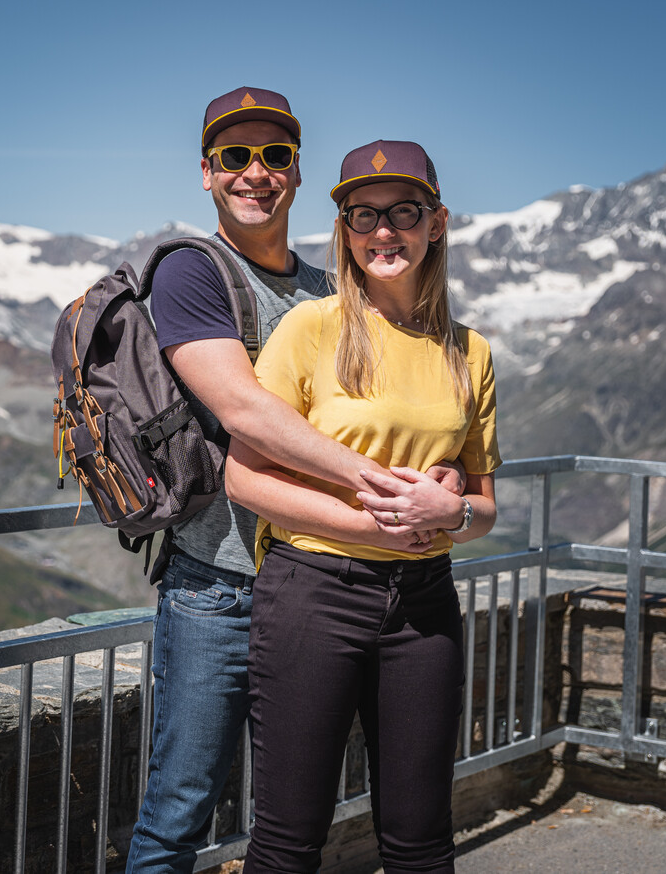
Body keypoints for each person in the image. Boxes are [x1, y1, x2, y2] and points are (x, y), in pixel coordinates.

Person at [126, 98, 465, 874]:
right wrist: (380, 490)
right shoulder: (191, 271)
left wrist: (438, 483)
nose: (257, 174)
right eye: (236, 157)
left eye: (275, 156)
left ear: (298, 171)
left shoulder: (327, 289)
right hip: (222, 583)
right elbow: (243, 408)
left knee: (292, 814)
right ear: (208, 172)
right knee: (183, 804)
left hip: (320, 581)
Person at [226, 139, 502, 874]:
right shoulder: (309, 329)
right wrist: (377, 521)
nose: (384, 231)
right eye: (362, 215)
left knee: (421, 841)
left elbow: (485, 505)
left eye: (403, 212)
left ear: (436, 222)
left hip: (425, 603)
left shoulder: (468, 352)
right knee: (289, 841)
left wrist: (448, 518)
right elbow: (243, 480)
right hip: (314, 593)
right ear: (344, 230)